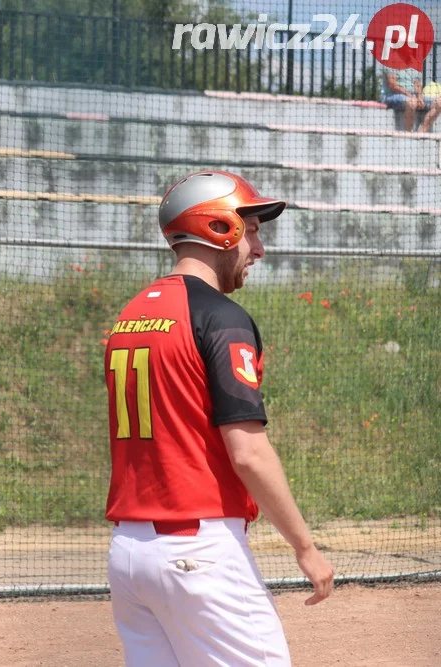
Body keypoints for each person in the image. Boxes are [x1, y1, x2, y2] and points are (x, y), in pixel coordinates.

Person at [103, 171, 334, 666]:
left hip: (129, 555)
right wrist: (305, 546)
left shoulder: (131, 314)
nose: (259, 247)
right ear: (219, 228)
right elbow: (247, 452)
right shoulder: (221, 316)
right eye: (251, 230)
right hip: (198, 551)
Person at [381, 64, 440, 133]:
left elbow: (417, 84)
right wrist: (410, 95)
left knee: (439, 102)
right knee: (412, 102)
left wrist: (420, 98)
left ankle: (422, 131)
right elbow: (393, 85)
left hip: (412, 96)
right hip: (393, 95)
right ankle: (408, 135)